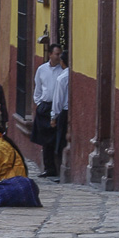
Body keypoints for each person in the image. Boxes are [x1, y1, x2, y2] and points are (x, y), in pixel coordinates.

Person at [31, 44, 66, 178]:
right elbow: (38, 88)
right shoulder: (41, 69)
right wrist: (39, 103)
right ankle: (48, 168)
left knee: (57, 138)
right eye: (56, 54)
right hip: (45, 107)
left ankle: (58, 167)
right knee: (45, 139)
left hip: (57, 106)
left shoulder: (62, 70)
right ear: (50, 54)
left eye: (60, 54)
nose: (58, 57)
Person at [49, 50, 71, 182]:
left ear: (62, 62)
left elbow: (58, 99)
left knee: (60, 141)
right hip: (69, 111)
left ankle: (59, 171)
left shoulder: (62, 78)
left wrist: (53, 116)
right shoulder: (70, 76)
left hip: (63, 112)